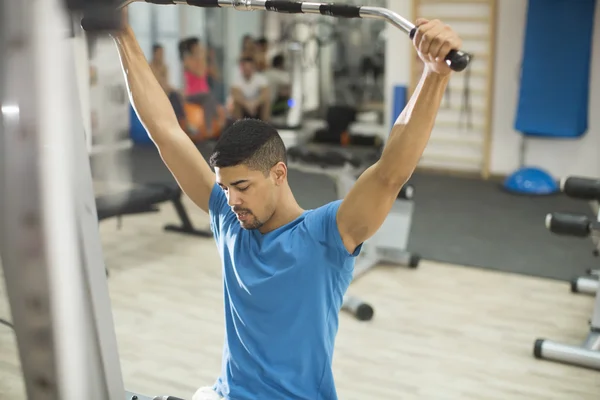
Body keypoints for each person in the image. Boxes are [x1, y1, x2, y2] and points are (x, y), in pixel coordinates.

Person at [114, 7, 462, 400]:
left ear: (279, 173)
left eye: (242, 186)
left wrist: (434, 74)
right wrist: (121, 30)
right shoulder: (229, 220)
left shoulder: (326, 236)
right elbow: (166, 132)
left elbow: (391, 173)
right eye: (225, 188)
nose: (232, 200)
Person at [179, 37, 221, 135]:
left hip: (205, 95)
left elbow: (216, 76)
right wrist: (202, 57)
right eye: (198, 46)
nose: (200, 47)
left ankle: (214, 129)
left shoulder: (201, 60)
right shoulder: (187, 60)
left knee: (210, 98)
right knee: (209, 97)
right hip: (192, 95)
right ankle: (209, 130)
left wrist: (212, 58)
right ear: (193, 47)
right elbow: (200, 73)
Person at [230, 56, 271, 121]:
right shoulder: (237, 79)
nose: (247, 69)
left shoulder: (260, 78)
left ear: (253, 67)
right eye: (245, 67)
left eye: (249, 67)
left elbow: (265, 94)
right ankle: (238, 125)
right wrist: (247, 104)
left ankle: (265, 124)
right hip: (243, 105)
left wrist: (255, 103)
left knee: (266, 101)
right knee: (236, 102)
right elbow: (235, 94)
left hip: (257, 105)